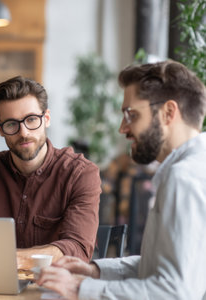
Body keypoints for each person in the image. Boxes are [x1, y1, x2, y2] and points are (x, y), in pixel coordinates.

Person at [36, 61, 206, 300]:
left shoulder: (184, 178)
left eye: (131, 114)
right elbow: (160, 265)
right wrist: (95, 271)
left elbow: (174, 292)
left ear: (169, 112)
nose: (122, 128)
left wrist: (78, 289)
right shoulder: (192, 168)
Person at [0, 76, 102, 270]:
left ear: (46, 118)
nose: (23, 132)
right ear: (0, 128)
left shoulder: (80, 174)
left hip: (53, 289)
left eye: (31, 119)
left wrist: (16, 259)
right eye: (12, 124)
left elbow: (77, 249)